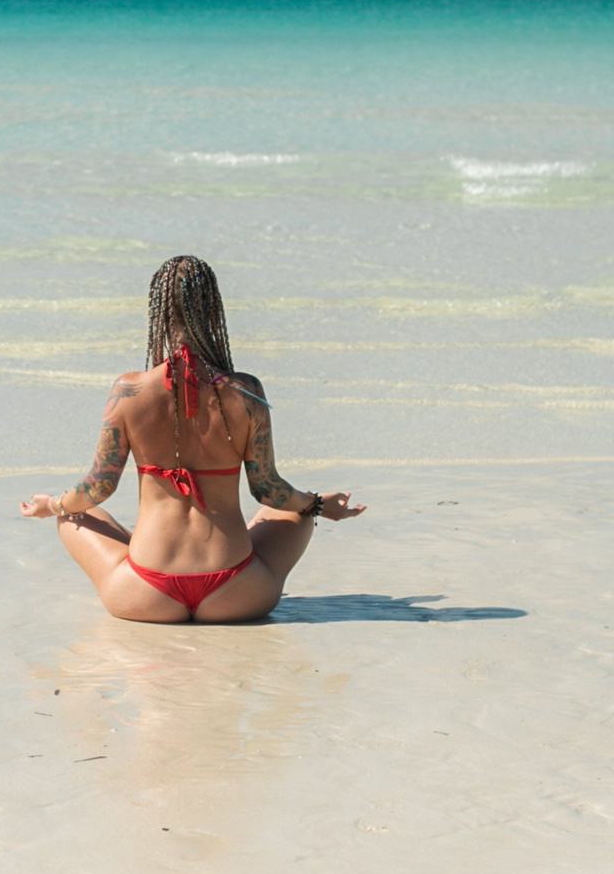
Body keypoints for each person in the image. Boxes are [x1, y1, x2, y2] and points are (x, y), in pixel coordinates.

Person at [19, 255, 363, 622]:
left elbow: (98, 487)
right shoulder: (245, 391)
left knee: (75, 513)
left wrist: (51, 505)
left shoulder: (129, 390)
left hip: (145, 592)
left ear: (158, 315)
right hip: (237, 591)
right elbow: (268, 490)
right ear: (214, 314)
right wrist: (317, 504)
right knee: (296, 511)